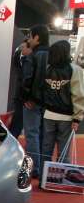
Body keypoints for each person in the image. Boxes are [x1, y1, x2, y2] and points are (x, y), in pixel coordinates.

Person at [41, 40, 84, 170]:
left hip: (48, 115)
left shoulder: (48, 69)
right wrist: (77, 118)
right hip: (66, 117)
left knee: (46, 150)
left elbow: (44, 91)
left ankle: (44, 177)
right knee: (63, 152)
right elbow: (78, 95)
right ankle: (60, 179)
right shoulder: (74, 69)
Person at [22, 25, 50, 178]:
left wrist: (28, 98)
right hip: (49, 103)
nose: (28, 39)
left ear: (37, 37)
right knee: (44, 136)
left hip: (33, 101)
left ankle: (34, 168)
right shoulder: (52, 54)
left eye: (30, 36)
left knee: (32, 134)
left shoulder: (34, 55)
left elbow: (28, 79)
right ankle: (45, 168)